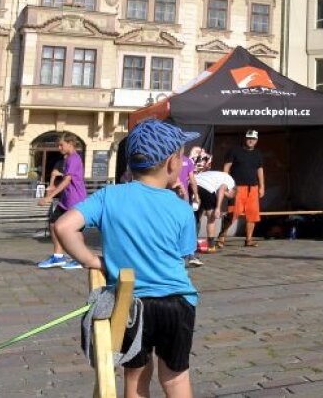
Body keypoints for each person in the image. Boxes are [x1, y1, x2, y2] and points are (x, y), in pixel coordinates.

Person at [54, 119, 198, 398]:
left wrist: (91, 260)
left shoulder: (110, 196)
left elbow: (64, 227)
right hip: (177, 302)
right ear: (171, 163)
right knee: (176, 379)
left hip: (130, 304)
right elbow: (184, 254)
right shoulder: (180, 208)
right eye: (181, 157)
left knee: (135, 380)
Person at [36, 135, 87, 270]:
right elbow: (59, 174)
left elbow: (67, 180)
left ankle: (80, 259)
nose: (59, 148)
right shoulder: (69, 159)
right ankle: (58, 257)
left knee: (75, 230)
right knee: (53, 224)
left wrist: (49, 197)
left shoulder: (74, 159)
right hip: (66, 200)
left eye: (61, 145)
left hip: (75, 200)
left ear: (70, 144)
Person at [217, 130, 264, 248]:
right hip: (237, 188)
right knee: (232, 214)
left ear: (257, 140)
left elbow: (260, 170)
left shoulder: (258, 153)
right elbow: (227, 167)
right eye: (249, 138)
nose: (251, 140)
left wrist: (262, 186)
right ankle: (221, 237)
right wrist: (225, 184)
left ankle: (249, 240)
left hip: (253, 188)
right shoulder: (235, 151)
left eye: (253, 139)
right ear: (245, 138)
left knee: (253, 215)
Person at [194, 164, 235, 255]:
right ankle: (211, 246)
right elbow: (221, 190)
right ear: (232, 190)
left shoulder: (216, 175)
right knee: (211, 217)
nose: (226, 197)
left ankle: (191, 244)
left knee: (196, 216)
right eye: (228, 196)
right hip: (206, 187)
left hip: (193, 183)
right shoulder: (230, 181)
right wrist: (218, 208)